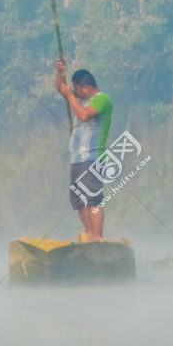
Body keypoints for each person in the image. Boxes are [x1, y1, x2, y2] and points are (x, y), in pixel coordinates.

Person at [55, 59, 113, 241]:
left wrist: (71, 97)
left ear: (86, 87)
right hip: (77, 159)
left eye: (77, 89)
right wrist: (59, 72)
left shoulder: (102, 99)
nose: (76, 93)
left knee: (92, 200)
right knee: (80, 202)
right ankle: (90, 236)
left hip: (93, 157)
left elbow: (84, 115)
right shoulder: (82, 99)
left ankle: (97, 237)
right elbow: (61, 89)